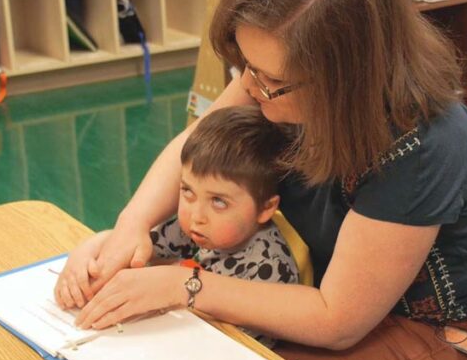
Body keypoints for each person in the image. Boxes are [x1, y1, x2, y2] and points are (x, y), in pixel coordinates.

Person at [56, 0, 467, 360]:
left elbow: (336, 318)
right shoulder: (276, 75)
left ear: (345, 80)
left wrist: (183, 285)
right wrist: (129, 229)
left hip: (434, 331)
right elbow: (197, 148)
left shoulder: (426, 143)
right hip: (316, 284)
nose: (249, 88)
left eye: (266, 81)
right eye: (246, 69)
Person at [55, 106, 299, 345]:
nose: (196, 215)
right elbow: (137, 245)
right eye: (187, 191)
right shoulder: (194, 230)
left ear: (266, 208)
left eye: (218, 202)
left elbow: (242, 347)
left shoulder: (270, 268)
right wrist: (90, 249)